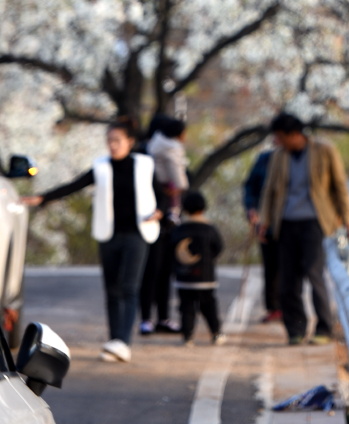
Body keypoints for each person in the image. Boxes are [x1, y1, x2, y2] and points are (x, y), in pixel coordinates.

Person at [23, 117, 161, 363]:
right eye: (109, 140)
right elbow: (74, 185)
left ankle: (123, 342)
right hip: (108, 234)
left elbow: (161, 192)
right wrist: (42, 198)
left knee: (129, 288)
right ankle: (114, 341)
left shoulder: (144, 165)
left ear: (130, 142)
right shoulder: (101, 167)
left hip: (138, 234)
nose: (113, 145)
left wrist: (161, 211)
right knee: (112, 289)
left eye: (117, 140)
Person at [259, 112, 349, 346]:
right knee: (288, 280)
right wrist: (265, 221)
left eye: (280, 137)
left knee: (314, 273)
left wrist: (348, 218)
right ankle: (295, 329)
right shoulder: (279, 156)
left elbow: (339, 185)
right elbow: (269, 190)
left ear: (294, 134)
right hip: (286, 222)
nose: (277, 142)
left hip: (314, 222)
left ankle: (324, 328)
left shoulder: (324, 150)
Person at [140, 117, 188, 335]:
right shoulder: (156, 153)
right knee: (154, 270)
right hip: (157, 217)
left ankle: (156, 317)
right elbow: (180, 183)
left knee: (161, 271)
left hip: (162, 218)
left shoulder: (149, 149)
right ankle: (152, 318)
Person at [171, 189, 224, 345]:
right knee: (209, 306)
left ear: (185, 209)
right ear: (204, 208)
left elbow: (171, 249)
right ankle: (216, 333)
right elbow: (218, 248)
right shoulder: (210, 229)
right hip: (205, 277)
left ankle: (188, 336)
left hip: (183, 277)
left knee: (186, 307)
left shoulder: (179, 229)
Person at [242, 147, 281, 322]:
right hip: (265, 221)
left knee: (291, 268)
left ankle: (289, 308)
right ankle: (273, 307)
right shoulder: (264, 159)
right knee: (271, 266)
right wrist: (251, 209)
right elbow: (250, 186)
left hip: (291, 220)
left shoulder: (302, 158)